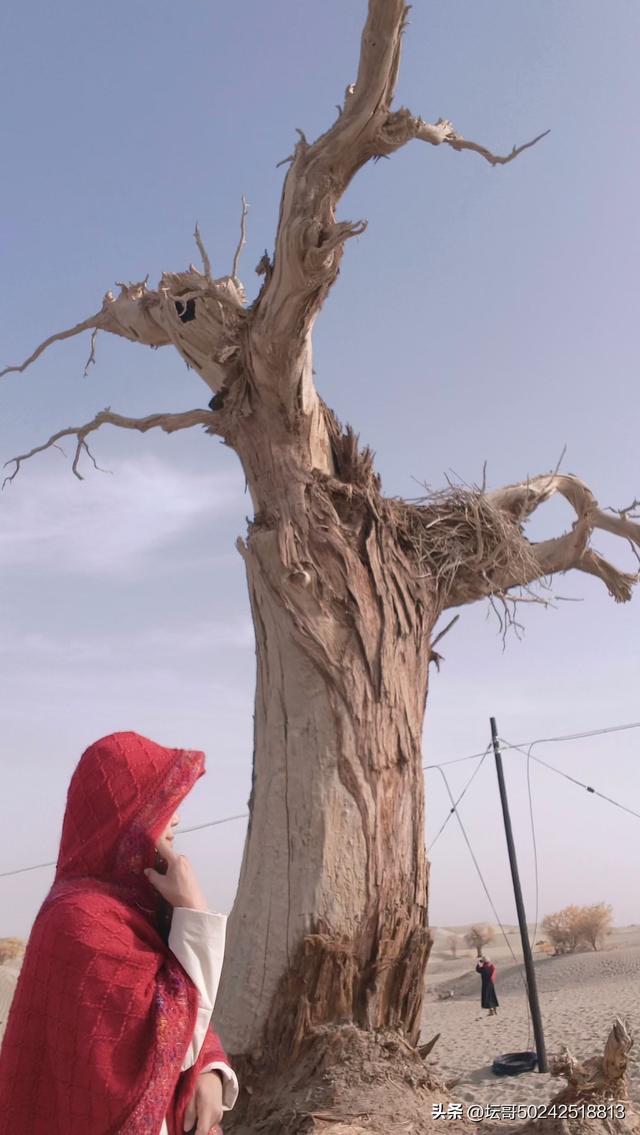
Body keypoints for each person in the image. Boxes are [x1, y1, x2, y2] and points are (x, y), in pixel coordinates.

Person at [0, 731, 239, 1134]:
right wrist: (194, 913)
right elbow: (157, 1045)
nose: (177, 817)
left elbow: (182, 1016)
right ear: (125, 817)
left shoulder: (134, 909)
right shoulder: (77, 921)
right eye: (162, 804)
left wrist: (211, 1070)